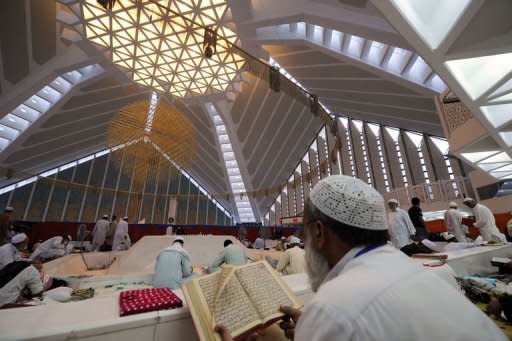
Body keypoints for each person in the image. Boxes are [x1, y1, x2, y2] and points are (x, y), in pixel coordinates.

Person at [215, 175, 507, 341]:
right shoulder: (405, 266)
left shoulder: (334, 307)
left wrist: (319, 324)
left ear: (318, 232)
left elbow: (347, 317)